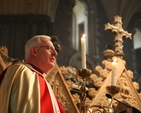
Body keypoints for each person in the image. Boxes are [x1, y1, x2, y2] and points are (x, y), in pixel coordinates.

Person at [0, 35, 65, 113]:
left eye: (55, 50)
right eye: (49, 48)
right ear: (34, 51)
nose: (55, 53)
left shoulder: (43, 80)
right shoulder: (22, 72)